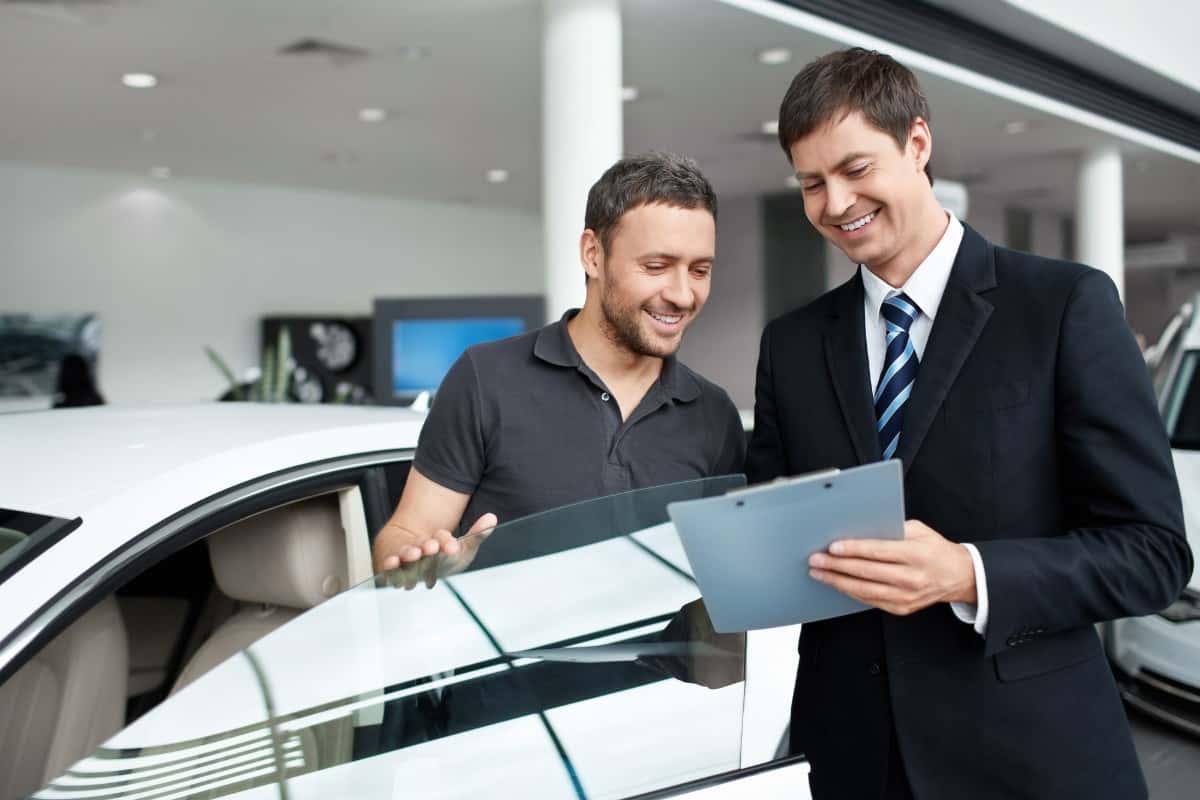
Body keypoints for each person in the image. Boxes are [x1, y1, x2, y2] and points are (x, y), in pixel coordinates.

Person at [747, 48, 1193, 799]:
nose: (834, 202)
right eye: (811, 183)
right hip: (854, 755)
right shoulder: (791, 344)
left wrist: (968, 573)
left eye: (856, 169)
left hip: (1030, 756)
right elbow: (772, 530)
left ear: (917, 144)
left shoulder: (1063, 306)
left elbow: (1151, 555)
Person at [374, 152, 746, 573]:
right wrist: (416, 562)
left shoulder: (714, 416)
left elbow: (719, 583)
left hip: (665, 644)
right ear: (592, 254)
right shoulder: (485, 379)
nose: (682, 294)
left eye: (700, 270)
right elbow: (403, 535)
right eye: (657, 266)